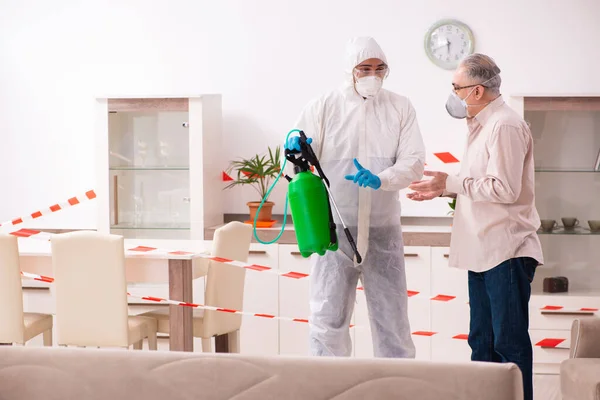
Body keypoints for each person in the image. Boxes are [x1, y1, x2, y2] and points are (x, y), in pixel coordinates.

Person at [407, 53, 543, 400]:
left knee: (509, 346)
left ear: (478, 91)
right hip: (481, 251)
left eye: (457, 87)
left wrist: (452, 183)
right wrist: (445, 187)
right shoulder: (481, 126)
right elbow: (478, 185)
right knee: (481, 343)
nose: (453, 94)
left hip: (506, 252)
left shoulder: (505, 126)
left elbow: (505, 189)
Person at [286, 36, 426, 358]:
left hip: (382, 230)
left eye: (380, 69)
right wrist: (294, 151)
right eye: (365, 68)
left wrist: (383, 178)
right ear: (351, 70)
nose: (372, 75)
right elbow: (295, 161)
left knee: (392, 321)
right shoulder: (323, 106)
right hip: (334, 228)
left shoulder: (400, 106)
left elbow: (414, 161)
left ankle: (395, 391)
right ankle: (328, 389)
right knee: (327, 319)